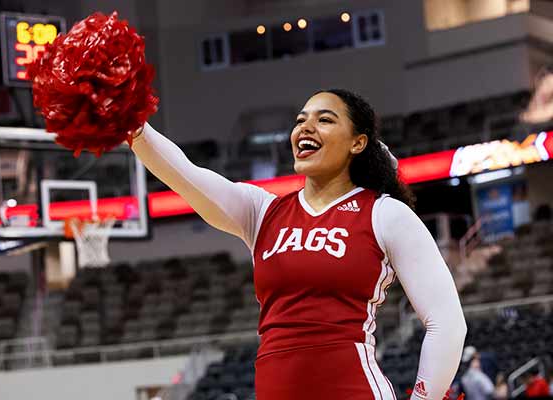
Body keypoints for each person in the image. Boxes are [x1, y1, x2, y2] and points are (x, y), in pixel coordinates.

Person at [131, 89, 467, 399]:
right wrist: (130, 123)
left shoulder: (385, 213)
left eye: (324, 119)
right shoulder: (261, 211)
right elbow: (182, 173)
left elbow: (446, 322)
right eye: (301, 120)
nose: (306, 127)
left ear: (358, 142)